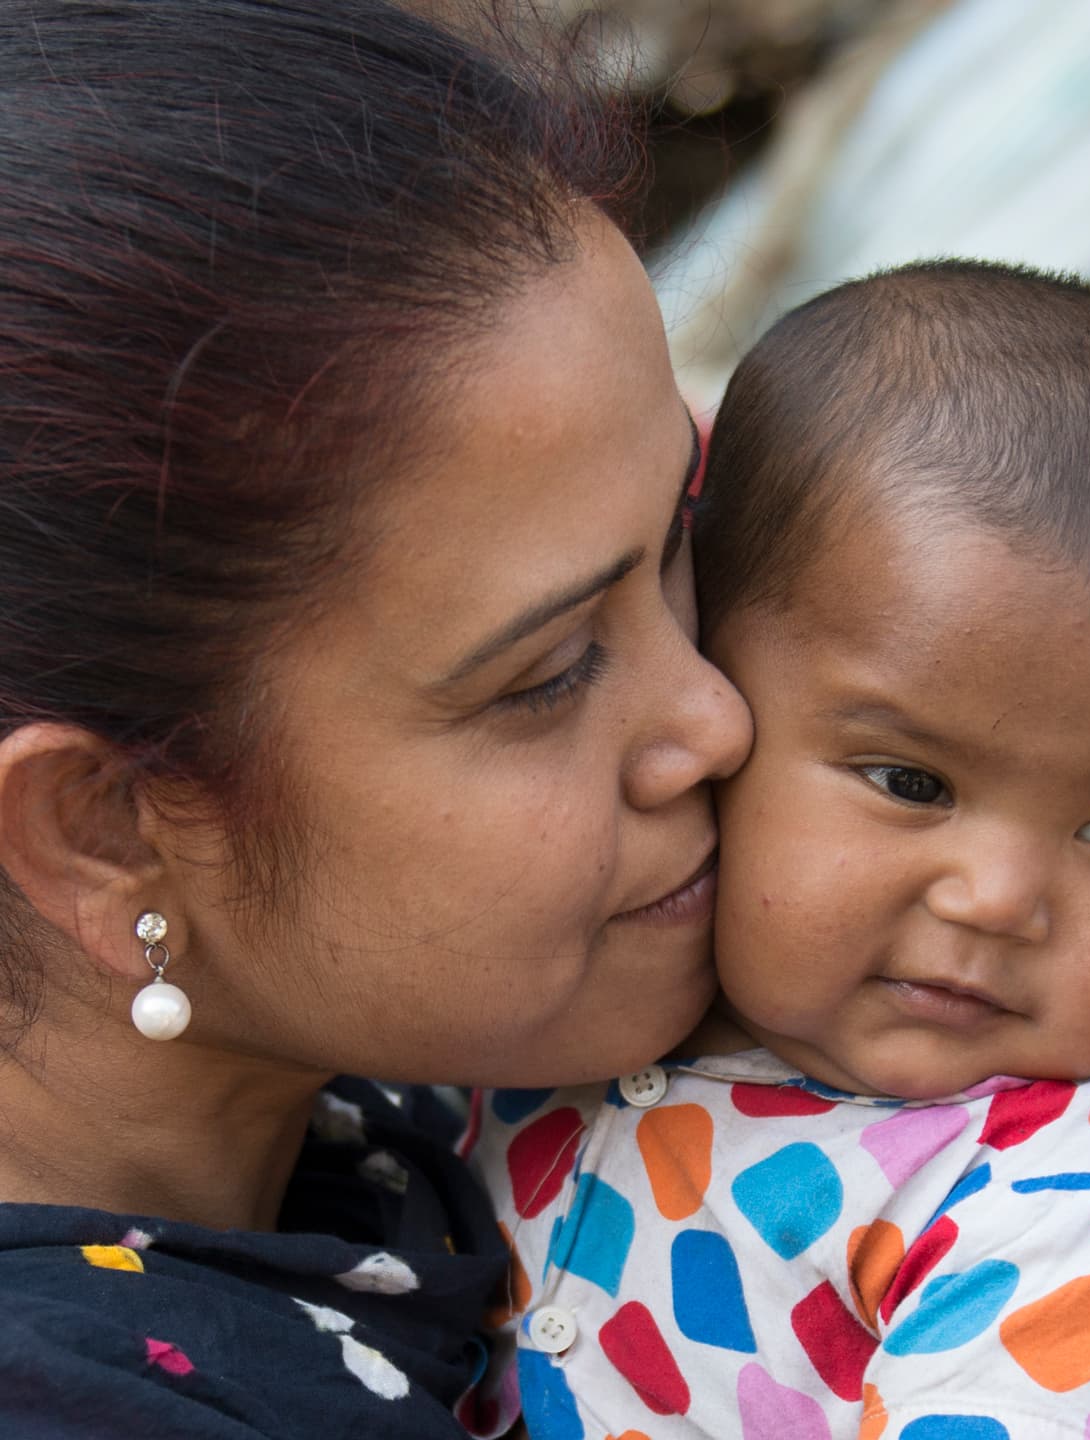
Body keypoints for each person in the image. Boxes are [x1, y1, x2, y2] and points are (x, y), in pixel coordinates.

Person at [0, 2, 750, 1435]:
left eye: (681, 537)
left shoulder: (391, 1122)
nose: (714, 720)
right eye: (547, 673)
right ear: (108, 831)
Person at [472, 262, 1090, 1439]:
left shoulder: (1062, 1201)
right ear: (706, 679)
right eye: (912, 783)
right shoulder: (562, 988)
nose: (1000, 899)